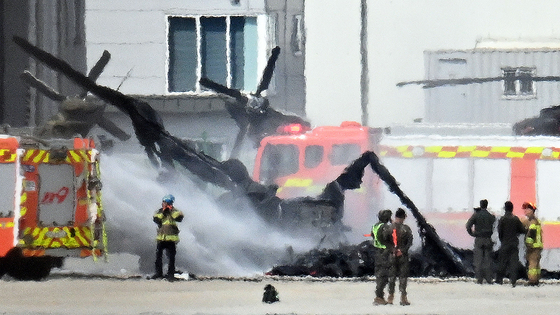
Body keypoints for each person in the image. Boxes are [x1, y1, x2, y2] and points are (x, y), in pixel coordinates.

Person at [151, 194, 184, 280]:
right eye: (163, 202)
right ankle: (158, 273)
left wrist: (171, 211)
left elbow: (179, 218)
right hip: (161, 238)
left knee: (171, 258)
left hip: (171, 239)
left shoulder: (175, 211)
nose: (164, 204)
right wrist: (163, 212)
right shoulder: (159, 211)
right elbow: (156, 219)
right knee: (158, 257)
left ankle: (170, 274)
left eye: (166, 202)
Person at [385, 208, 413, 306]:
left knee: (391, 276)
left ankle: (390, 297)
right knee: (403, 277)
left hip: (391, 255)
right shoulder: (406, 229)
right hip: (403, 255)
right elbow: (410, 242)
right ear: (403, 217)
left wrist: (392, 250)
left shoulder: (389, 228)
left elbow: (385, 241)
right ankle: (403, 298)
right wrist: (402, 251)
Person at [495, 201, 526, 287]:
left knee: (502, 262)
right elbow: (522, 230)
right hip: (514, 244)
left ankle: (499, 280)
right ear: (512, 209)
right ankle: (513, 281)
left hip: (505, 243)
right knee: (513, 263)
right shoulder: (515, 219)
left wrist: (503, 240)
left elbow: (500, 232)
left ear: (505, 209)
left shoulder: (502, 219)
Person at [465, 199, 496, 284]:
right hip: (488, 239)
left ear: (480, 205)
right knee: (488, 260)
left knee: (478, 260)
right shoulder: (491, 216)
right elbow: (495, 227)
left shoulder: (476, 215)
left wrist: (472, 234)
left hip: (479, 239)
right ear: (487, 205)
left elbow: (468, 226)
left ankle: (479, 279)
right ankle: (489, 279)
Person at [372, 209, 393, 305]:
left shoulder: (375, 226)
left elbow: (373, 235)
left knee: (379, 274)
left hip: (377, 252)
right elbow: (387, 238)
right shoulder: (385, 227)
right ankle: (379, 297)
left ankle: (379, 296)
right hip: (385, 252)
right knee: (384, 275)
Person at [521, 202, 543, 286]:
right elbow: (524, 222)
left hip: (533, 247)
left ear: (532, 210)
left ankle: (532, 281)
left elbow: (531, 236)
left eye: (527, 209)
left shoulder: (533, 222)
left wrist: (528, 245)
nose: (525, 211)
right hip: (537, 246)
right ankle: (536, 279)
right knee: (536, 265)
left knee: (532, 265)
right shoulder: (534, 220)